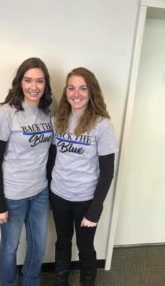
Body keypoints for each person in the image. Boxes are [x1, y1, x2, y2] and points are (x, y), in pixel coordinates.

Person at [0, 57, 53, 286]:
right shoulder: (7, 113)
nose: (34, 87)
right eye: (28, 80)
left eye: (39, 81)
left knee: (38, 245)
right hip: (13, 193)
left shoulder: (48, 113)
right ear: (20, 82)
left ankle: (31, 282)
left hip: (40, 192)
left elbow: (51, 154)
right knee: (10, 247)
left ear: (45, 84)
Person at [50, 67, 117, 286]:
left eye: (82, 88)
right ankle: (61, 281)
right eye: (71, 88)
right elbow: (52, 158)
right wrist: (50, 189)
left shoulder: (102, 125)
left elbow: (107, 172)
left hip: (85, 199)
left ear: (91, 92)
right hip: (59, 194)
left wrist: (95, 208)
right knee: (62, 242)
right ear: (66, 91)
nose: (76, 94)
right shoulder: (57, 119)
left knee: (85, 247)